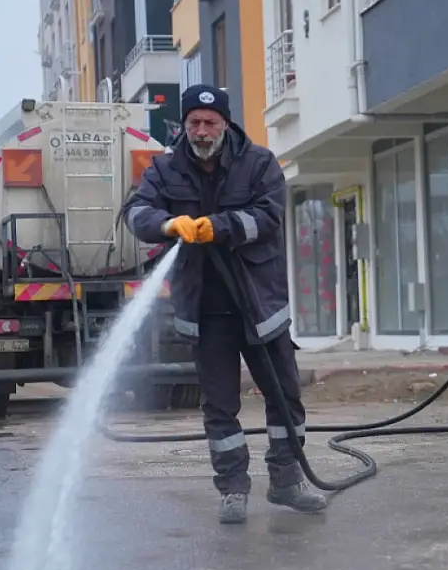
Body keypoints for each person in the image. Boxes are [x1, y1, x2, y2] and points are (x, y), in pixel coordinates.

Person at [123, 84, 327, 523]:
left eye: (209, 122)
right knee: (219, 406)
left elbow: (269, 216)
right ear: (184, 125)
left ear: (226, 123)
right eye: (194, 122)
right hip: (207, 311)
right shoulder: (165, 169)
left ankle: (287, 480)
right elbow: (136, 213)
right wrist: (167, 223)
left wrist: (220, 226)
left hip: (259, 305)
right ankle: (233, 489)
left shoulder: (259, 164)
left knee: (284, 396)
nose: (201, 131)